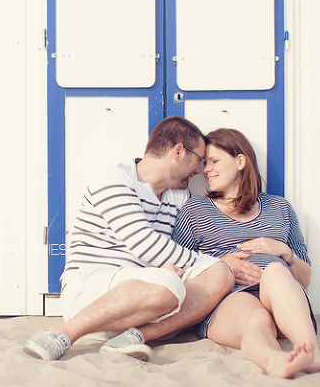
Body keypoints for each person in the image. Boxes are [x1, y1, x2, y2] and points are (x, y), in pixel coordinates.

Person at [25, 116, 234, 361]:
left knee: (221, 274)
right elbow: (145, 245)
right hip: (91, 295)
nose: (199, 171)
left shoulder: (179, 197)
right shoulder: (113, 181)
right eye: (198, 160)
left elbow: (179, 253)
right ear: (178, 152)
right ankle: (63, 333)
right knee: (169, 284)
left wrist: (219, 265)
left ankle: (135, 337)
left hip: (146, 305)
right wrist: (198, 265)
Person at [173, 128, 320, 378]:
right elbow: (179, 271)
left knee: (276, 271)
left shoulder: (280, 208)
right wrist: (221, 265)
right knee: (257, 318)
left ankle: (313, 355)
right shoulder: (195, 210)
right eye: (205, 163)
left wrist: (285, 252)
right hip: (229, 300)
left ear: (240, 161)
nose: (206, 170)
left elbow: (305, 279)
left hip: (283, 304)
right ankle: (273, 360)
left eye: (214, 161)